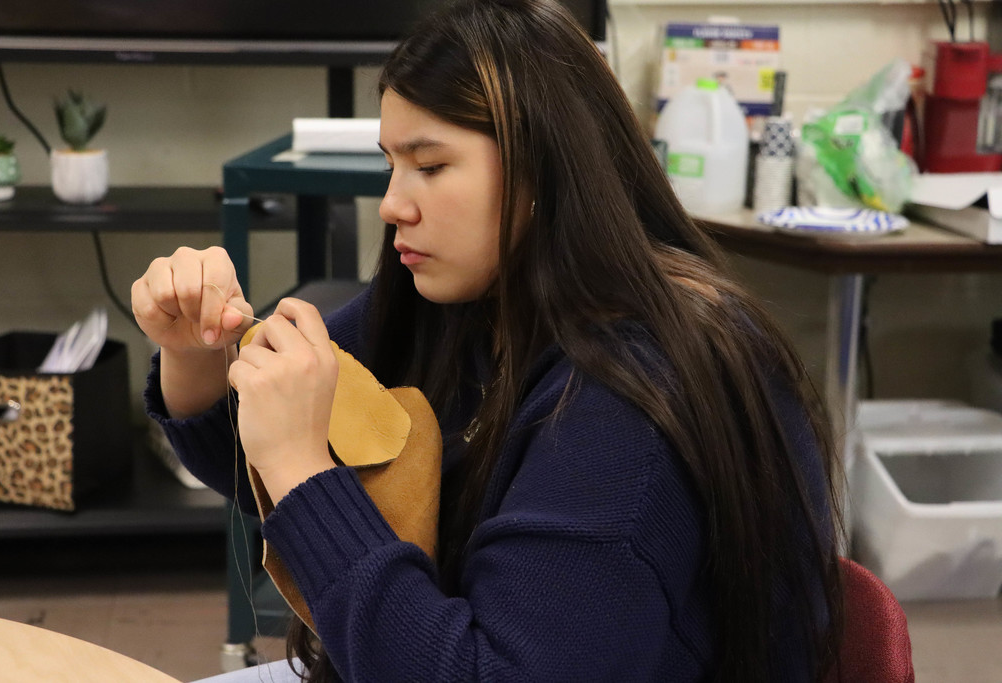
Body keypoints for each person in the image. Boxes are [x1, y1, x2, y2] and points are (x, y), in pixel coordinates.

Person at [131, 0, 844, 680]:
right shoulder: (461, 295)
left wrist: (300, 464)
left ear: (545, 167)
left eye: (431, 166)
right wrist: (195, 350)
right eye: (391, 164)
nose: (391, 204)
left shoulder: (632, 402)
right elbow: (250, 463)